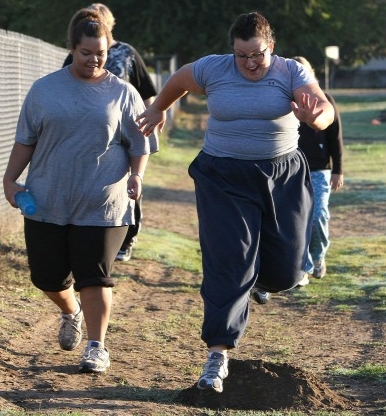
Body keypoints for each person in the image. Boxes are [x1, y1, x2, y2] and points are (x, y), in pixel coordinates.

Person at [136, 12, 334, 393]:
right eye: (241, 55)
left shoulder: (290, 71)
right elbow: (179, 80)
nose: (249, 63)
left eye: (256, 54)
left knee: (287, 272)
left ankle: (258, 278)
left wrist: (317, 118)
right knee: (229, 262)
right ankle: (217, 355)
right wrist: (159, 106)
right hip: (223, 177)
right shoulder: (214, 69)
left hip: (282, 177)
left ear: (270, 47)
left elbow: (323, 107)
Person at [2, 7, 158, 374]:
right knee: (47, 277)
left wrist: (137, 176)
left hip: (103, 201)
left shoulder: (123, 93)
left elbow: (139, 144)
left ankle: (96, 346)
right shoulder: (44, 89)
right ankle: (70, 311)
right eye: (86, 53)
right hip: (48, 198)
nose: (94, 60)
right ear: (72, 48)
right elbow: (26, 140)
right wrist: (11, 179)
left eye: (100, 54)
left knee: (95, 275)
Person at [63, 3, 158, 263]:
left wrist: (152, 117)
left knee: (129, 182)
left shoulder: (127, 52)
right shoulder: (76, 55)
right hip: (92, 128)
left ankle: (126, 237)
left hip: (125, 127)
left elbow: (146, 90)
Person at [249, 56, 344, 305]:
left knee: (318, 215)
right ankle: (303, 267)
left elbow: (335, 138)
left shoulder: (326, 101)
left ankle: (318, 256)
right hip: (289, 170)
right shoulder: (282, 100)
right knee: (294, 220)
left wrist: (338, 170)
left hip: (320, 170)